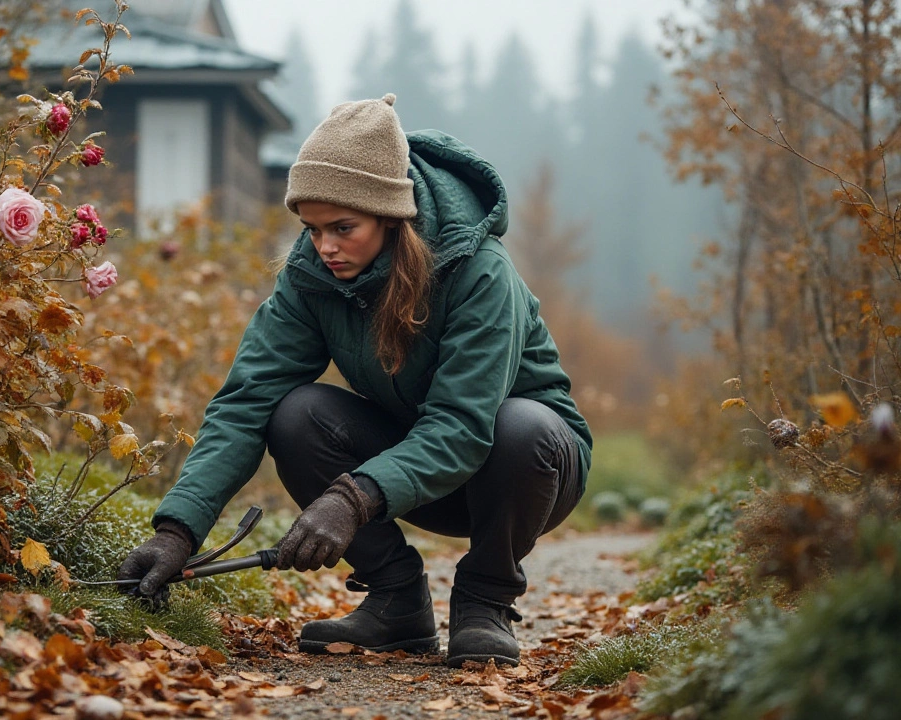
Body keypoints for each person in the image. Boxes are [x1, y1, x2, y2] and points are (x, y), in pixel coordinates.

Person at [117, 94, 591, 667]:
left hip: (522, 472)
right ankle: (396, 601)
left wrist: (352, 498)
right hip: (412, 475)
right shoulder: (312, 276)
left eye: (343, 227)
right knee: (294, 413)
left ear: (393, 216)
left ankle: (485, 601)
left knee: (520, 424)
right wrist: (179, 529)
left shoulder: (480, 271)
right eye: (312, 229)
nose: (325, 248)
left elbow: (463, 426)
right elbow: (246, 402)